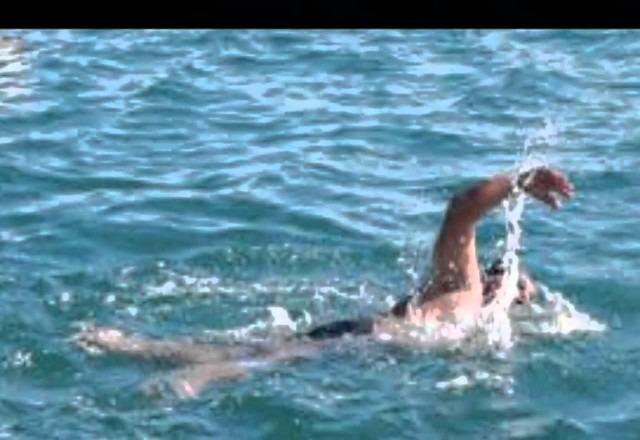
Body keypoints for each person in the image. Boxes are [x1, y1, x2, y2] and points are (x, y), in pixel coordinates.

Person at [73, 165, 574, 398]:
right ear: (496, 282)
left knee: (266, 347)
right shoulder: (462, 290)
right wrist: (519, 181)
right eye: (518, 286)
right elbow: (462, 209)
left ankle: (130, 346)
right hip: (367, 340)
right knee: (270, 359)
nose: (517, 295)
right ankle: (194, 380)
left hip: (360, 330)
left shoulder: (462, 301)